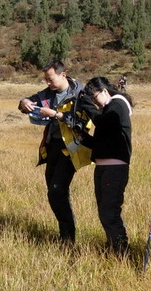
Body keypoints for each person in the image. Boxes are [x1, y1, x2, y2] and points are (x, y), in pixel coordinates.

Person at [18, 60, 97, 243]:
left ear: (63, 74)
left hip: (72, 148)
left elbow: (83, 122)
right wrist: (24, 102)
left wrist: (55, 114)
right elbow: (25, 105)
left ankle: (68, 238)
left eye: (50, 79)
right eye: (45, 79)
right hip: (52, 147)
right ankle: (65, 233)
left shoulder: (81, 93)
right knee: (53, 192)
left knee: (57, 190)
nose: (47, 83)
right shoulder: (48, 93)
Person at [83, 77, 133, 255]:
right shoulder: (108, 109)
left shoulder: (117, 105)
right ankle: (114, 246)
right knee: (105, 211)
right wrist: (82, 137)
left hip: (115, 168)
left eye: (94, 98)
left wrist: (85, 106)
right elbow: (102, 140)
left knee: (109, 211)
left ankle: (121, 250)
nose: (94, 103)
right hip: (104, 167)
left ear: (105, 91)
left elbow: (102, 122)